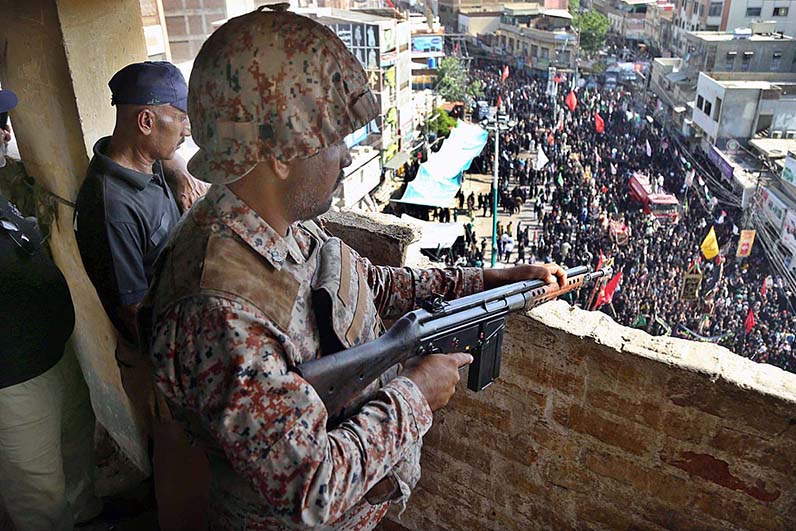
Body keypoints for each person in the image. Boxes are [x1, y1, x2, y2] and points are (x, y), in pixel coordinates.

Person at [138, 7, 565, 530]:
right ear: (281, 154)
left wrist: (483, 281)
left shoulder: (269, 220)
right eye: (334, 139)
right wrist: (415, 393)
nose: (344, 157)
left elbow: (366, 283)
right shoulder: (220, 307)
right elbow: (310, 488)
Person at [73, 62, 208, 529]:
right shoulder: (110, 206)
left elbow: (164, 157)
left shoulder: (143, 165)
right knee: (177, 459)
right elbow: (134, 311)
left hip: (177, 339)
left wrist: (173, 169)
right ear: (146, 121)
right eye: (181, 117)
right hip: (156, 357)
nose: (188, 130)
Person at [1, 88, 101, 528]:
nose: (6, 131)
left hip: (54, 357)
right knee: (39, 499)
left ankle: (89, 518)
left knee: (76, 463)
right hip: (14, 382)